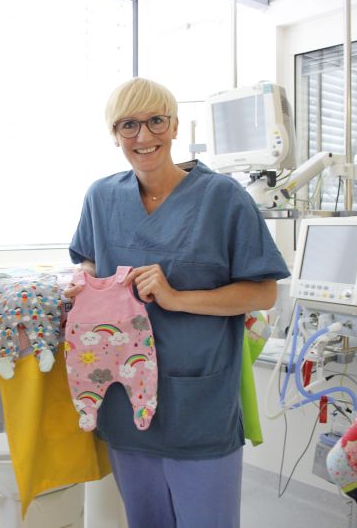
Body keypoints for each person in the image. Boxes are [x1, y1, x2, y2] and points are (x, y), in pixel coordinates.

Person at [66, 77, 291, 528]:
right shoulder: (101, 197)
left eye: (155, 122)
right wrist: (82, 284)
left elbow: (264, 291)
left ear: (174, 127)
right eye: (128, 125)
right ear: (114, 134)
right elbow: (90, 262)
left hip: (199, 402)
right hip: (126, 402)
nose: (143, 136)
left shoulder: (222, 198)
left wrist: (176, 297)